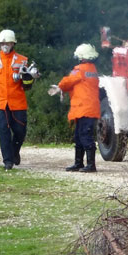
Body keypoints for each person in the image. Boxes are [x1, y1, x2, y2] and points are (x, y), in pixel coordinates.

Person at [0, 29, 30, 170]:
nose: (5, 45)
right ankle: (8, 161)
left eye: (8, 42)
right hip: (0, 103)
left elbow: (28, 85)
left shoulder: (23, 60)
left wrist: (28, 78)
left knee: (20, 131)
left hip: (18, 102)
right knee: (4, 131)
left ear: (13, 43)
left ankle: (14, 152)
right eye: (2, 43)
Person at [54, 43, 101, 173]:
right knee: (81, 135)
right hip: (90, 108)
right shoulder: (93, 70)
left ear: (80, 56)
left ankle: (89, 165)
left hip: (83, 108)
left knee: (84, 136)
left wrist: (60, 86)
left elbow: (67, 82)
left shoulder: (79, 69)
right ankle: (80, 163)